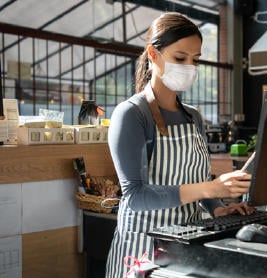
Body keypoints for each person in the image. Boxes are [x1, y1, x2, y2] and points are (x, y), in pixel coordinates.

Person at [105, 12, 253, 278]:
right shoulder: (131, 114)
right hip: (143, 251)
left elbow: (197, 178)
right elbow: (136, 197)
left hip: (187, 247)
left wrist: (218, 207)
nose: (189, 67)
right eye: (180, 58)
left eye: (195, 60)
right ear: (153, 55)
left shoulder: (193, 117)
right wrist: (212, 187)